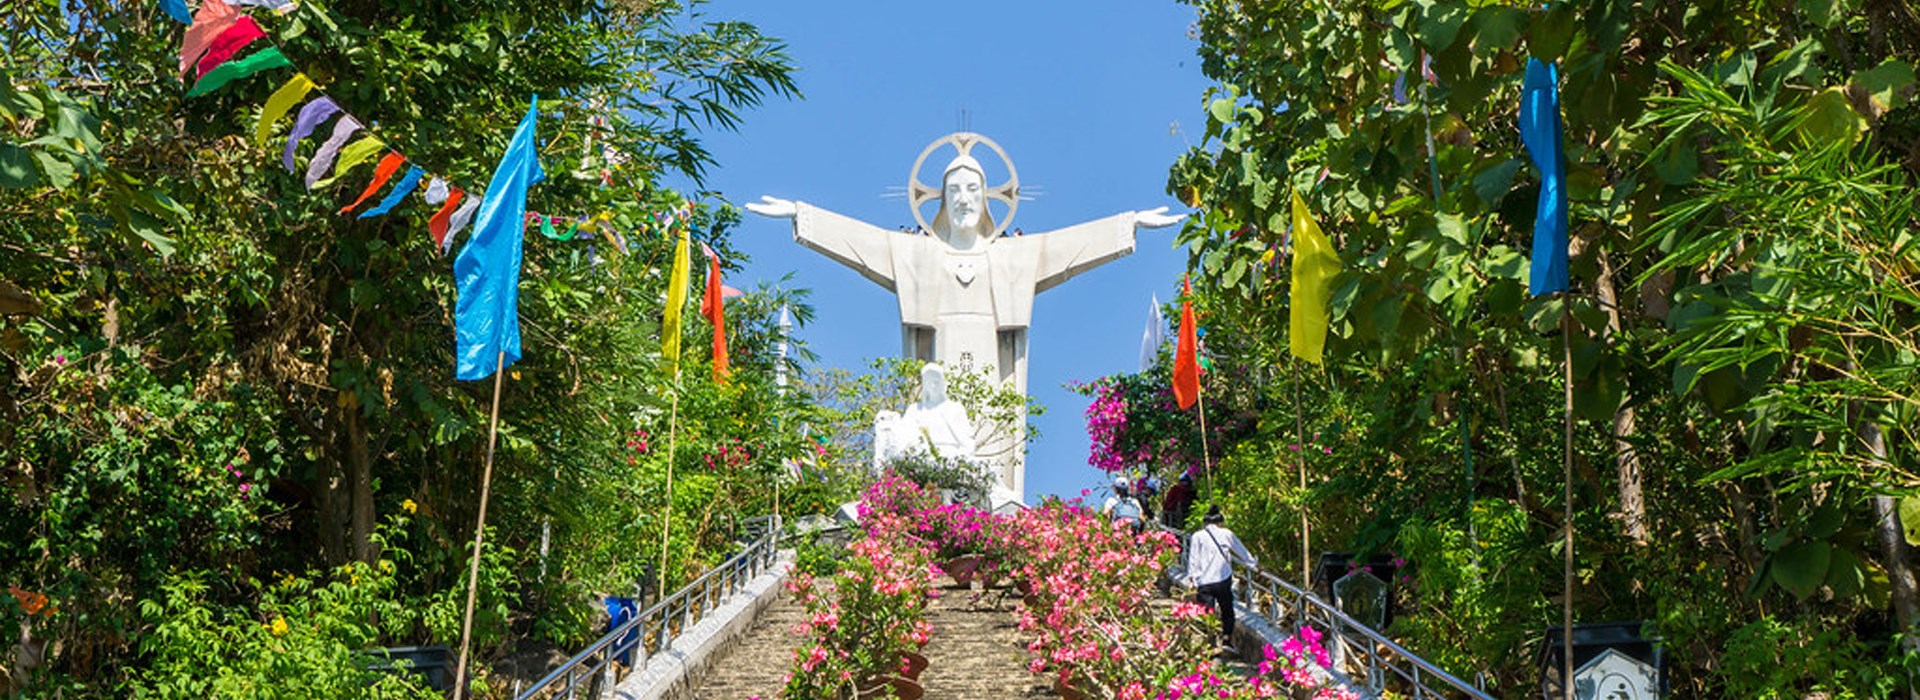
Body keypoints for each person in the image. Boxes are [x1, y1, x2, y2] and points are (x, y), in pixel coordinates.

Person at [1183, 505, 1257, 651]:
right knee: (1227, 610)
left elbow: (1193, 559)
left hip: (1204, 581)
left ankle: (1210, 642)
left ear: (1205, 522)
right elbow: (1241, 551)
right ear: (1220, 522)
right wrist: (1253, 564)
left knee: (1207, 612)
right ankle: (1226, 640)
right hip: (1223, 579)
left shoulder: (1198, 536)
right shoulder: (1226, 534)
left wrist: (1192, 578)